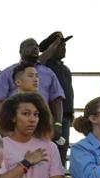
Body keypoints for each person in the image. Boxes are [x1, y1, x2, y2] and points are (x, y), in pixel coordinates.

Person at [0, 38, 65, 137]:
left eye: (37, 46)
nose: (35, 48)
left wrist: (58, 123)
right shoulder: (8, 72)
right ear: (20, 51)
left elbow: (57, 99)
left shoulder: (48, 73)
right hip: (16, 123)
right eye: (30, 45)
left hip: (42, 124)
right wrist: (2, 124)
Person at [39, 31, 74, 163]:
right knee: (48, 150)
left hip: (65, 116)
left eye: (64, 45)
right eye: (59, 45)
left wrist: (71, 113)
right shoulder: (44, 66)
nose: (63, 48)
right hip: (51, 116)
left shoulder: (65, 69)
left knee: (62, 150)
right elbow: (38, 61)